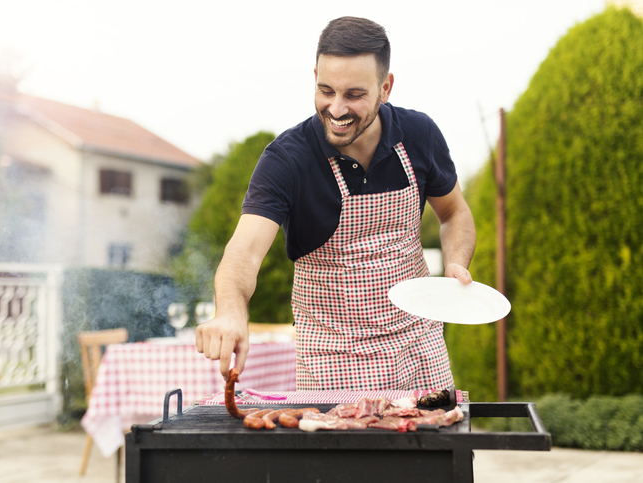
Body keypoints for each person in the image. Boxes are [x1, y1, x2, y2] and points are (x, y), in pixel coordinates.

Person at [196, 16, 476, 391]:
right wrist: (230, 312)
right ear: (314, 76)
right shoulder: (287, 160)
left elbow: (454, 212)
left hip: (418, 346)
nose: (337, 108)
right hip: (333, 359)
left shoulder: (419, 135)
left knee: (441, 447)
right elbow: (243, 253)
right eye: (325, 90)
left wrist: (456, 262)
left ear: (385, 87)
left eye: (354, 95)